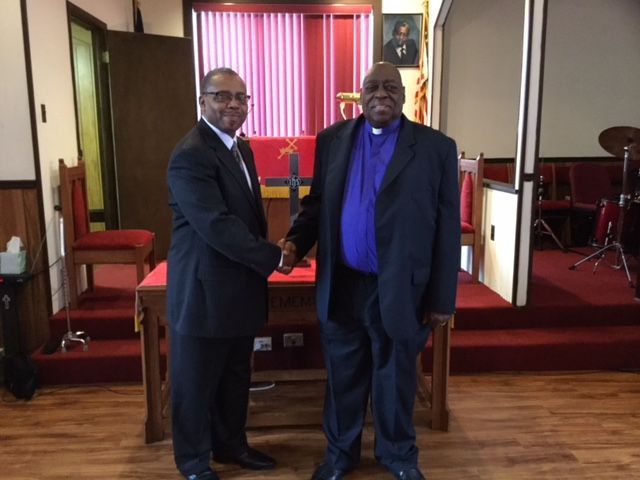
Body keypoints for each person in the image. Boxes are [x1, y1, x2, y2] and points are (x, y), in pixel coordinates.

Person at [279, 62, 460, 480]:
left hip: (401, 288)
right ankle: (339, 456)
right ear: (359, 95)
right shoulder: (332, 140)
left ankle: (399, 457)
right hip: (343, 284)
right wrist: (295, 243)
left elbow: (447, 227)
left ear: (403, 95)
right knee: (343, 379)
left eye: (391, 87)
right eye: (373, 87)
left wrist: (442, 298)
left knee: (395, 380)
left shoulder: (435, 148)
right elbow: (317, 205)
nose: (382, 94)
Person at [166, 67, 283, 480]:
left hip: (238, 289)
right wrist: (274, 257)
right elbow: (216, 225)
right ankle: (194, 463)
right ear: (203, 102)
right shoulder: (191, 154)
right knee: (196, 383)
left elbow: (247, 217)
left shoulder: (240, 150)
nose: (233, 104)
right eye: (221, 96)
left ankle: (231, 446)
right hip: (204, 291)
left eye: (240, 97)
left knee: (235, 377)